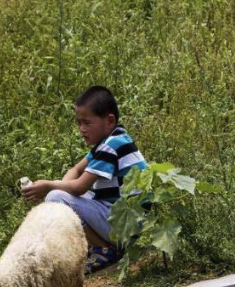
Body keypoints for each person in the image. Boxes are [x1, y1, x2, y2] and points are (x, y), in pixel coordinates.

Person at [22, 86, 148, 273]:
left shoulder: (111, 146)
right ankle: (101, 246)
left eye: (87, 123)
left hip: (128, 226)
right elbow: (77, 169)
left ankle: (105, 250)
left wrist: (50, 188)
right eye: (78, 123)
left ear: (109, 120)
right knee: (60, 197)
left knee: (56, 198)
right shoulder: (115, 139)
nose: (81, 129)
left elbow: (80, 187)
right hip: (128, 219)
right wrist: (60, 190)